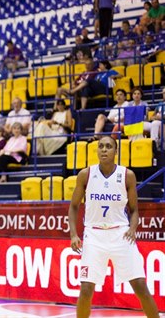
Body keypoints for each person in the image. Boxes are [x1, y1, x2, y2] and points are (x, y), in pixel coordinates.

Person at [68, 136, 159, 318]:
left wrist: (132, 228)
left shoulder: (127, 175)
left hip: (121, 234)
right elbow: (74, 206)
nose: (104, 150)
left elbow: (134, 210)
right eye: (100, 146)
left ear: (115, 151)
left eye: (108, 146)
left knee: (140, 285)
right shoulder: (85, 174)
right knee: (86, 289)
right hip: (94, 235)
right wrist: (73, 234)